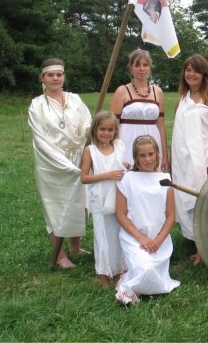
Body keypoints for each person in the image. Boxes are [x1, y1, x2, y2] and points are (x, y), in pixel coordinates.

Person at [27, 58, 92, 268]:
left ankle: (75, 246)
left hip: (78, 157)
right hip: (51, 163)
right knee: (55, 206)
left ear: (64, 76)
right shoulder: (37, 105)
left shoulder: (75, 99)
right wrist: (65, 165)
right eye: (50, 75)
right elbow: (40, 139)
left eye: (59, 74)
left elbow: (86, 123)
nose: (55, 78)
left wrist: (90, 132)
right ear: (42, 78)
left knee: (79, 203)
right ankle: (61, 256)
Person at [171, 54, 208, 265]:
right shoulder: (182, 100)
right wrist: (173, 159)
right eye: (188, 70)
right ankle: (197, 243)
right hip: (184, 159)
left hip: (206, 156)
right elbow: (178, 133)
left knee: (206, 200)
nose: (191, 74)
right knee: (190, 198)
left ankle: (207, 248)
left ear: (204, 73)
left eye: (195, 70)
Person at [115, 135, 180, 305]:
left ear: (157, 154)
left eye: (151, 154)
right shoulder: (127, 179)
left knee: (156, 281)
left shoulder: (165, 180)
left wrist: (158, 240)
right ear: (135, 158)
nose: (147, 159)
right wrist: (142, 238)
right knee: (146, 270)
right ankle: (126, 287)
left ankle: (128, 277)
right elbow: (120, 214)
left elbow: (171, 215)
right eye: (142, 155)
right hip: (135, 238)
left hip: (159, 240)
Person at [80, 111, 128, 287]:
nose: (106, 133)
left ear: (115, 131)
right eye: (102, 129)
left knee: (117, 235)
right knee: (102, 236)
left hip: (118, 197)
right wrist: (107, 175)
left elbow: (121, 167)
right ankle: (103, 274)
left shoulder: (120, 147)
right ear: (95, 130)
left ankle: (118, 271)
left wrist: (125, 166)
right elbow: (84, 178)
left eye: (110, 130)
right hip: (99, 199)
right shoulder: (90, 151)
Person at [110, 48, 168, 171]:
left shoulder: (158, 92)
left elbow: (161, 125)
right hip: (127, 142)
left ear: (150, 68)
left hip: (153, 141)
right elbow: (113, 125)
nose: (141, 68)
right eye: (137, 65)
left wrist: (165, 155)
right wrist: (113, 153)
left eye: (145, 65)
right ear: (130, 68)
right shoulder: (122, 91)